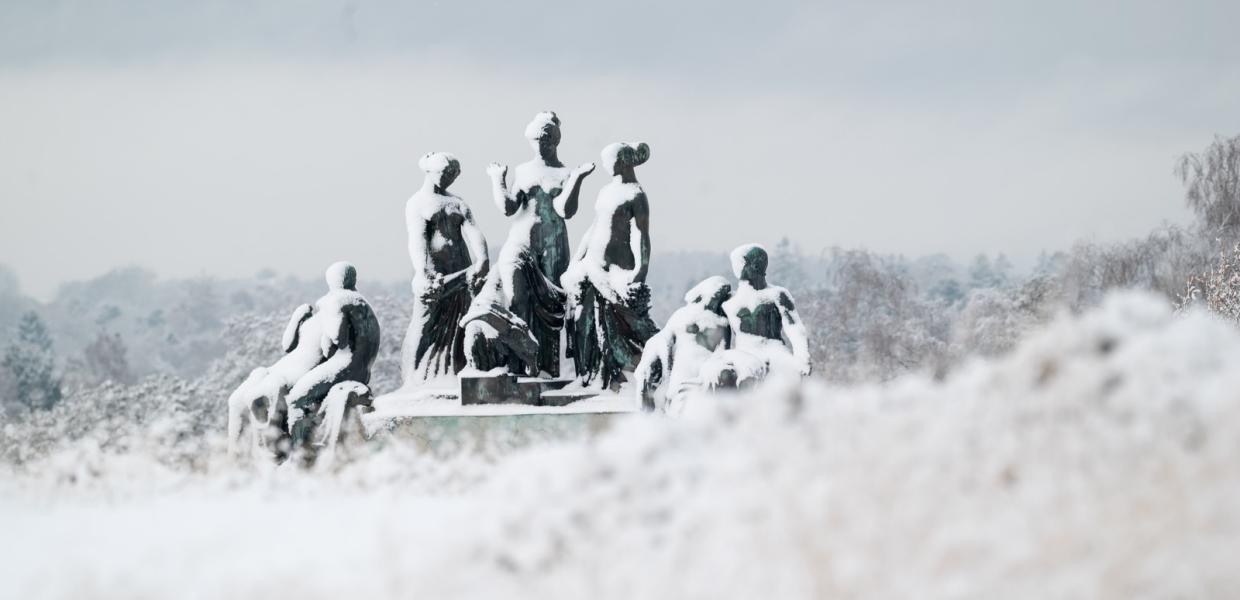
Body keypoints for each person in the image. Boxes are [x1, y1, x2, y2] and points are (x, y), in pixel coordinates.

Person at [462, 112, 594, 376]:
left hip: (553, 246)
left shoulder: (564, 173)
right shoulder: (523, 171)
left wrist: (577, 179)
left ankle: (546, 369)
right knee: (517, 298)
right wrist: (497, 179)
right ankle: (517, 363)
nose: (539, 146)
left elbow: (565, 210)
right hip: (521, 243)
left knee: (552, 307)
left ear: (554, 141)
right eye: (535, 140)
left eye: (544, 140)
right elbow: (508, 208)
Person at [563, 142, 658, 389]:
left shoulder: (636, 194)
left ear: (623, 161)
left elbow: (641, 234)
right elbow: (594, 228)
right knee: (583, 322)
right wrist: (578, 259)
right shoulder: (605, 191)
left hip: (617, 269)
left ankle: (629, 370)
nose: (606, 165)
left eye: (610, 160)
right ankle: (590, 375)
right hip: (592, 267)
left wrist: (641, 270)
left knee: (622, 329)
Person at [399, 152, 489, 386]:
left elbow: (473, 231)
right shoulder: (417, 202)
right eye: (444, 173)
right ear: (430, 171)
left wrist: (483, 259)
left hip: (462, 271)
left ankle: (457, 370)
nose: (448, 178)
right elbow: (417, 239)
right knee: (426, 324)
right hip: (435, 274)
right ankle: (415, 375)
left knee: (462, 323)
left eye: (452, 175)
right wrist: (421, 270)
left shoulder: (457, 203)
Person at [285, 262, 381, 455]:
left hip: (345, 365)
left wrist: (328, 315)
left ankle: (302, 455)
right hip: (362, 369)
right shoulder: (362, 303)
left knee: (296, 400)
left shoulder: (338, 300)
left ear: (332, 281)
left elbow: (339, 339)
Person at [634, 277, 734, 413]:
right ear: (706, 293)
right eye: (715, 295)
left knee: (695, 408)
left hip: (702, 373)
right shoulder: (683, 315)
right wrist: (651, 363)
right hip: (682, 370)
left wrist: (709, 376)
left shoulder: (722, 324)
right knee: (678, 406)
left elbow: (722, 353)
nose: (715, 301)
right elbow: (663, 339)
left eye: (719, 298)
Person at [721, 244, 812, 378]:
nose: (736, 269)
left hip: (774, 355)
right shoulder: (730, 302)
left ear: (756, 266)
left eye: (740, 264)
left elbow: (794, 328)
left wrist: (802, 356)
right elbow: (723, 341)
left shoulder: (777, 295)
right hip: (744, 359)